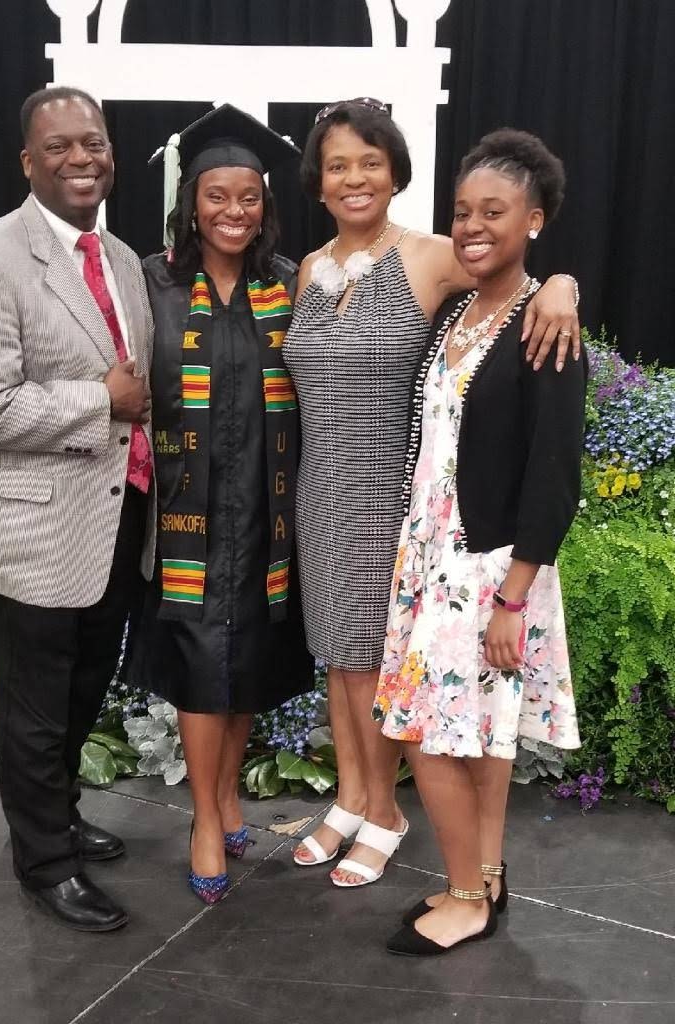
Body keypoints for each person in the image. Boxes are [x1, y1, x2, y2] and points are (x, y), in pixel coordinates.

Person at [283, 99, 581, 888]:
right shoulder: (309, 270)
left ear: (395, 173)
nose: (355, 177)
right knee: (337, 655)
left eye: (370, 161)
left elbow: (510, 262)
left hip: (396, 493)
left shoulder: (432, 253)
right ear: (318, 180)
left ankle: (384, 807)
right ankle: (351, 795)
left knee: (375, 657)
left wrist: (564, 284)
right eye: (339, 163)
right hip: (321, 489)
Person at [0, 87, 156, 932]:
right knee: (32, 710)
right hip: (31, 528)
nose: (81, 158)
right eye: (59, 146)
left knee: (78, 697)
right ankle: (44, 866)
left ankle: (52, 818)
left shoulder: (123, 259)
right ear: (29, 162)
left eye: (92, 143)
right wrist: (98, 400)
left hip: (113, 523)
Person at [374, 128, 584, 955]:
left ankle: (463, 898)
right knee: (477, 735)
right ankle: (485, 875)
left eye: (494, 211)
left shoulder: (546, 323)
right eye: (462, 210)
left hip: (488, 568)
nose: (471, 226)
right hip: (429, 556)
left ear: (533, 220)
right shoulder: (459, 310)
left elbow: (555, 473)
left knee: (425, 735)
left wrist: (513, 595)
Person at [127, 105, 313, 904]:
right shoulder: (152, 282)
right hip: (187, 516)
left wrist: (557, 280)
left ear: (265, 205)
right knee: (206, 670)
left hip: (270, 515)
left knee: (248, 668)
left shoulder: (293, 283)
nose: (233, 211)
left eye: (248, 197)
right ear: (190, 202)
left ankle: (228, 792)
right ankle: (204, 818)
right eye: (216, 196)